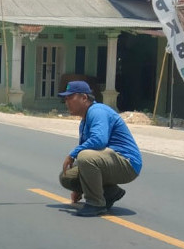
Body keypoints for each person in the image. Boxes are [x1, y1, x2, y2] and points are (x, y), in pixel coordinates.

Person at [58, 81, 142, 217]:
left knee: (84, 156)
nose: (66, 102)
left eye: (70, 97)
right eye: (65, 99)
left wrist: (72, 154)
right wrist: (79, 188)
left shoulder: (97, 111)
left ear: (84, 98)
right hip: (108, 161)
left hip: (127, 163)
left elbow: (99, 141)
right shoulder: (84, 121)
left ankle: (96, 203)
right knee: (67, 176)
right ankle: (110, 193)